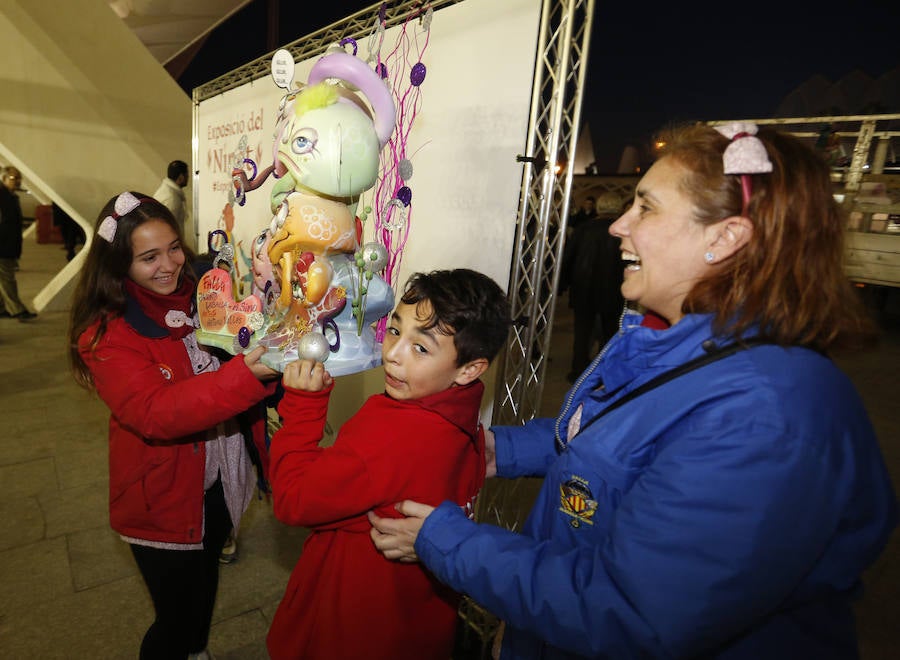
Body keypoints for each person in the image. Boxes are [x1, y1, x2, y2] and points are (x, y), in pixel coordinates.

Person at [368, 123, 898, 659]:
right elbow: (610, 444)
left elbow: (627, 611)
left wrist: (447, 542)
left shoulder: (763, 417)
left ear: (724, 239)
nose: (618, 225)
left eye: (646, 208)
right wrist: (498, 450)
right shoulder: (668, 340)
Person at [68, 191, 280, 660]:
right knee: (175, 620)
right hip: (163, 499)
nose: (168, 265)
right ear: (119, 263)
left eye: (173, 248)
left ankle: (196, 650)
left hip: (220, 483)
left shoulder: (205, 292)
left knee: (203, 590)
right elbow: (155, 412)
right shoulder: (108, 333)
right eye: (148, 257)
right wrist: (246, 374)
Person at [266, 268, 512, 660]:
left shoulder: (392, 431)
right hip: (415, 622)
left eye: (422, 348)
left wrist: (302, 408)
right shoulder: (463, 422)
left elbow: (294, 499)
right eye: (396, 331)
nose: (392, 355)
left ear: (469, 369)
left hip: (350, 626)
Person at [558, 191, 625, 381]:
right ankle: (606, 372)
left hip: (583, 288)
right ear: (618, 208)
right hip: (614, 289)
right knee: (611, 332)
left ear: (599, 207)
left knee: (582, 332)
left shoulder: (583, 229)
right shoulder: (621, 231)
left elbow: (568, 257)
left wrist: (562, 284)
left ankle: (578, 370)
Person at [0, 165, 37, 320]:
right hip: (2, 245)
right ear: (4, 178)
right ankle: (18, 310)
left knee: (3, 278)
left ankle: (1, 309)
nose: (18, 182)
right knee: (8, 279)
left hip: (9, 244)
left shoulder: (11, 196)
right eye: (14, 178)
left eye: (19, 178)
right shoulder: (1, 196)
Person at [153, 159, 189, 235]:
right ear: (181, 177)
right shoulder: (171, 198)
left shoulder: (167, 191)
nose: (188, 177)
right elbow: (166, 229)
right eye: (187, 175)